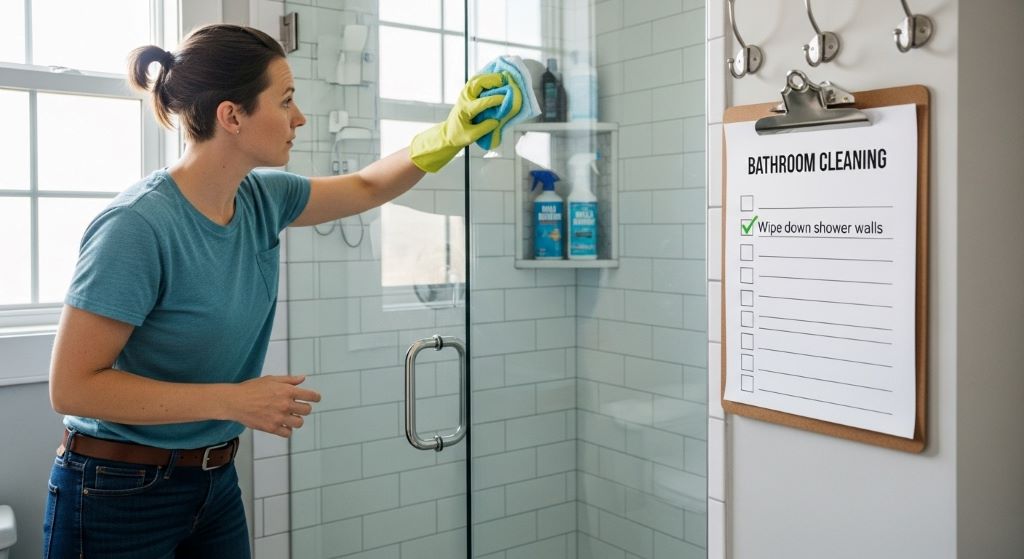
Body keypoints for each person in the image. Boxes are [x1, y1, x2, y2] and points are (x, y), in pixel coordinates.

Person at [43, 23, 506, 558]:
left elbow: (367, 185)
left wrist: (447, 133)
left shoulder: (263, 198)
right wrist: (235, 399)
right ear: (231, 116)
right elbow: (72, 387)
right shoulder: (137, 226)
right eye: (285, 100)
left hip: (213, 480)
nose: (300, 117)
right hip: (115, 489)